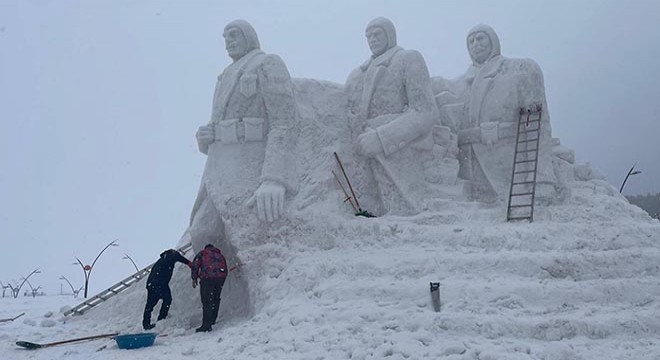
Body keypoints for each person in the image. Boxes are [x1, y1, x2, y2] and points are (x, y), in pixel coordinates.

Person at [189, 19, 296, 251]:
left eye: (234, 35)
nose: (228, 42)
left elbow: (284, 122)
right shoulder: (224, 76)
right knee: (201, 231)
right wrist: (206, 137)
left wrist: (274, 178)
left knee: (252, 235)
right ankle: (219, 286)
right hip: (218, 167)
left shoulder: (267, 63)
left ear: (249, 36)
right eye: (225, 37)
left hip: (249, 167)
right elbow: (219, 121)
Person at [435, 24, 560, 203]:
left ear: (493, 41)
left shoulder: (518, 69)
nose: (475, 44)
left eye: (480, 38)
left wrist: (541, 177)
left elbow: (537, 125)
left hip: (507, 161)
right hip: (469, 169)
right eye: (470, 41)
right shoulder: (460, 84)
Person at [344, 17, 442, 215]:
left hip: (398, 152)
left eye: (377, 33)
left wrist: (382, 138)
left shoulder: (407, 59)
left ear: (390, 34)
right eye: (368, 36)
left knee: (406, 215)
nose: (372, 39)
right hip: (362, 153)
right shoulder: (357, 74)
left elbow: (425, 111)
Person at [142, 249, 191, 330]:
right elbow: (178, 257)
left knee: (150, 305)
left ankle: (146, 324)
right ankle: (162, 319)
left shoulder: (162, 259)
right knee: (167, 299)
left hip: (152, 284)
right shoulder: (171, 256)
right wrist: (189, 263)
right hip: (160, 283)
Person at [191, 244, 228, 332]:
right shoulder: (220, 255)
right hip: (220, 278)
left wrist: (194, 278)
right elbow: (225, 268)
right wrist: (221, 279)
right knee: (215, 299)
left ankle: (206, 325)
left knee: (207, 301)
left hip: (208, 278)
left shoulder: (203, 253)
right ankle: (212, 320)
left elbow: (195, 265)